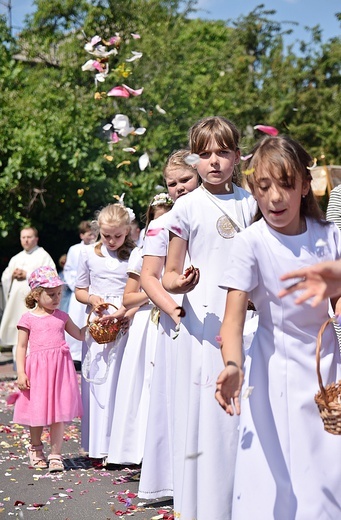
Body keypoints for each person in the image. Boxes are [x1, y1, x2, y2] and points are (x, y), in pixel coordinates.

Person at [215, 135, 341, 519]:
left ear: (305, 185)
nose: (274, 198)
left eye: (285, 184)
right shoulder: (250, 242)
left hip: (327, 370)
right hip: (273, 371)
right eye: (264, 186)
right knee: (275, 478)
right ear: (253, 189)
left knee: (326, 475)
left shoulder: (331, 237)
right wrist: (233, 366)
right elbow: (233, 320)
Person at [162, 116, 257, 520]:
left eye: (222, 152)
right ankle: (205, 506)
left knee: (247, 416)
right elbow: (167, 272)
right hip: (204, 325)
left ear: (237, 157)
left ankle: (248, 500)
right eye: (204, 154)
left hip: (250, 326)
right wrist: (179, 286)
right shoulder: (185, 206)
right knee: (209, 417)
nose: (214, 161)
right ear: (194, 159)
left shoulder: (252, 202)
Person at [138, 149, 199, 500]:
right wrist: (175, 311)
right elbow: (149, 277)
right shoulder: (160, 225)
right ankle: (176, 479)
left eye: (185, 180)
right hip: (178, 318)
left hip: (221, 316)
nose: (179, 187)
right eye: (171, 184)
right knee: (179, 397)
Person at [107, 192, 174, 465]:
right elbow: (129, 297)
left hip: (173, 320)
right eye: (157, 222)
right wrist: (156, 290)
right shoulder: (141, 253)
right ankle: (144, 451)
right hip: (149, 325)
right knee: (146, 384)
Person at [74, 203, 135, 458]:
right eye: (106, 235)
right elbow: (79, 290)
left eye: (118, 236)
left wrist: (128, 313)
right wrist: (92, 299)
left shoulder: (135, 254)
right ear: (98, 230)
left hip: (123, 320)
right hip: (98, 323)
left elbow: (140, 290)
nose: (111, 241)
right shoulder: (89, 254)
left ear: (128, 231)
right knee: (98, 382)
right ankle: (99, 446)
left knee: (122, 382)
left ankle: (120, 447)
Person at [12, 266, 85, 472]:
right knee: (37, 412)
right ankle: (36, 449)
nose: (57, 299)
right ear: (36, 294)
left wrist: (95, 324)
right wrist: (21, 372)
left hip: (59, 372)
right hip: (37, 372)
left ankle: (55, 454)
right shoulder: (28, 318)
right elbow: (22, 346)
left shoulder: (62, 316)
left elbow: (79, 334)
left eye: (59, 294)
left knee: (58, 413)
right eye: (51, 295)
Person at [0, 227, 55, 367]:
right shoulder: (16, 258)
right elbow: (5, 277)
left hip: (34, 304)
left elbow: (50, 276)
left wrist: (28, 274)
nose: (26, 240)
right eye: (23, 237)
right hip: (16, 303)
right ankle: (17, 365)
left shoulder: (43, 256)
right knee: (17, 333)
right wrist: (11, 275)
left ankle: (33, 365)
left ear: (36, 239)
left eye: (29, 237)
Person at [63, 221, 97, 366]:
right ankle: (75, 354)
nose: (92, 237)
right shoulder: (74, 249)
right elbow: (69, 269)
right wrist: (77, 286)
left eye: (94, 234)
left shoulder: (98, 248)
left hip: (93, 292)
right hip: (78, 292)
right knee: (76, 321)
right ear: (82, 235)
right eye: (89, 234)